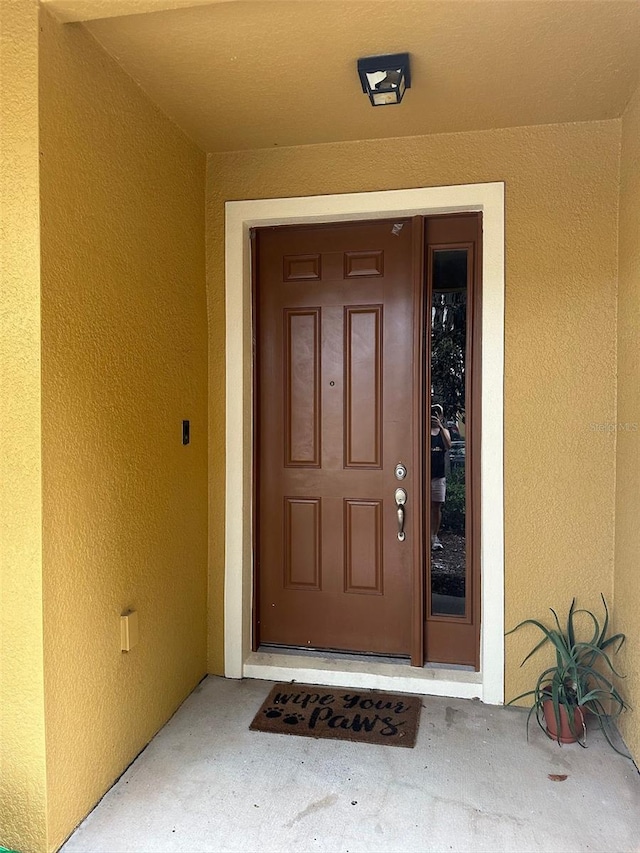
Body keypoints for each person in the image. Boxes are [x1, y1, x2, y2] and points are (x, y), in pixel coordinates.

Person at [430, 404, 451, 551]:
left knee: (436, 507)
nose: (434, 416)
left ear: (441, 416)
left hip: (438, 476)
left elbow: (448, 445)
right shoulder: (422, 430)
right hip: (424, 476)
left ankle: (434, 536)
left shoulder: (444, 432)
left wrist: (440, 427)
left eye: (437, 413)